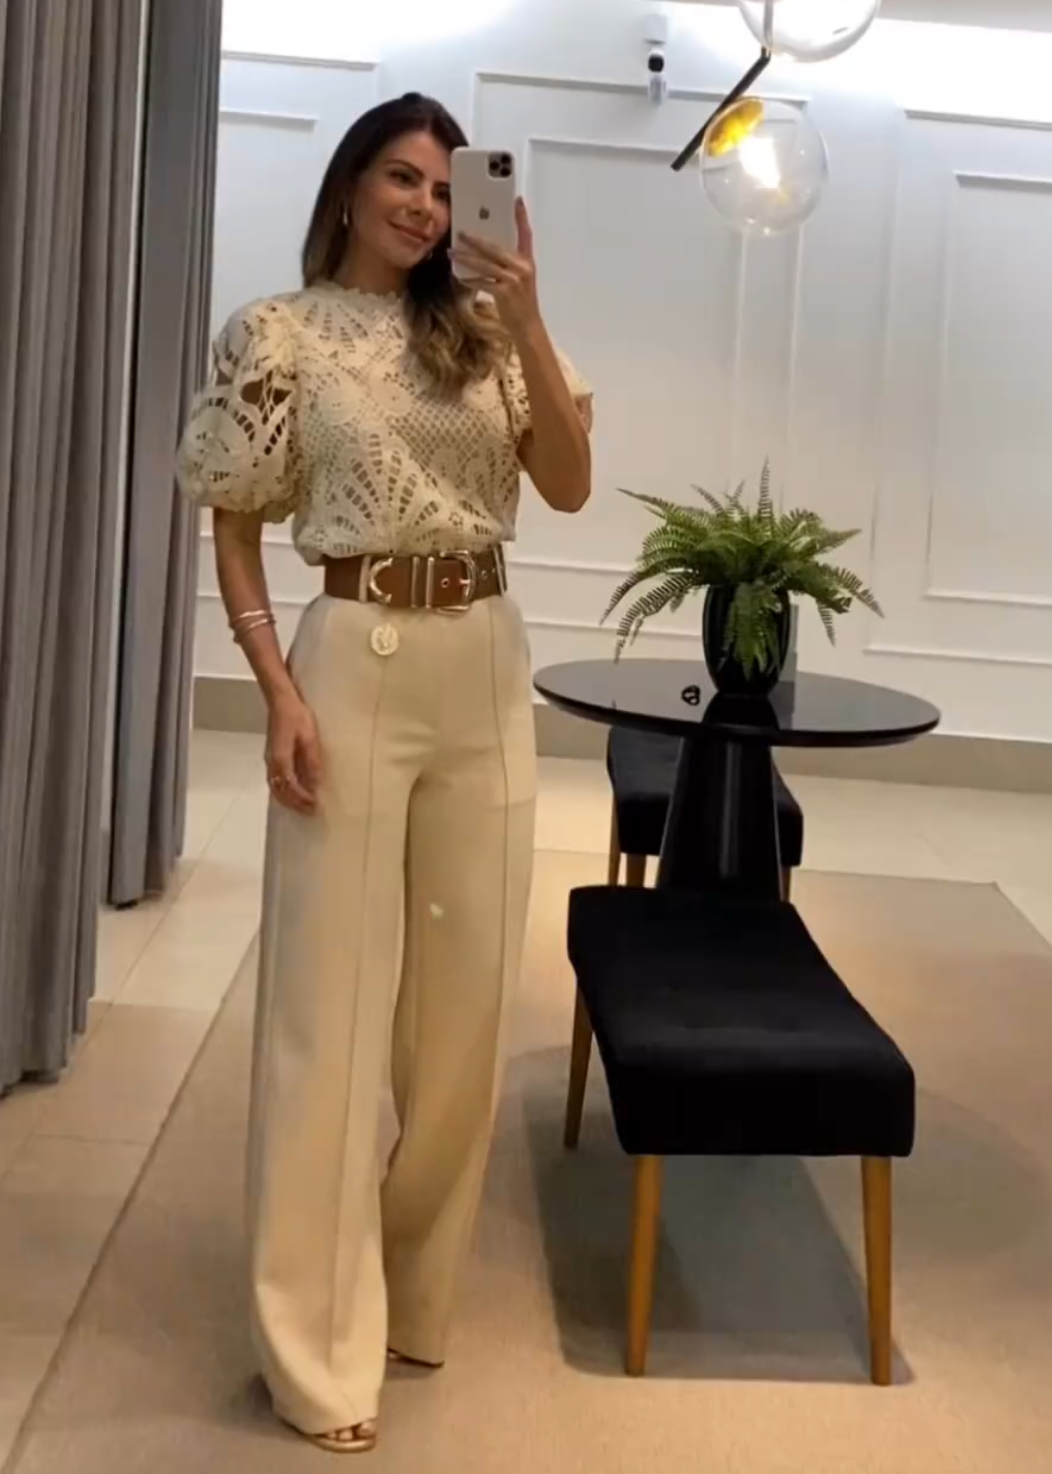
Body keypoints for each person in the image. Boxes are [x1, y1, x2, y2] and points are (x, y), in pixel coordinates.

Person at [176, 93, 592, 1455]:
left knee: (464, 1014)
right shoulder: (278, 333)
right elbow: (236, 523)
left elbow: (570, 483)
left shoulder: (485, 333)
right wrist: (277, 690)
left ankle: (414, 1292)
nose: (426, 205)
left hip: (485, 657)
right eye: (403, 179)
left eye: (446, 186)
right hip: (351, 655)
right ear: (351, 188)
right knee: (329, 1007)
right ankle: (313, 1345)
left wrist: (528, 312)